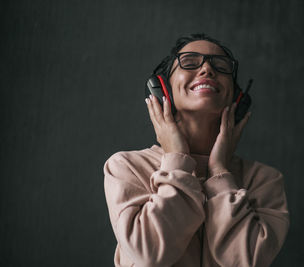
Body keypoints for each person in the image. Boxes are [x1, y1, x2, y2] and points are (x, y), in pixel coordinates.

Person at [104, 33, 289, 267]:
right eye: (190, 62)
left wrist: (220, 171)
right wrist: (176, 160)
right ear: (163, 91)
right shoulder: (126, 167)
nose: (207, 70)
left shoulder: (265, 180)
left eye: (220, 66)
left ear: (237, 98)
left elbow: (247, 260)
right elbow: (149, 255)